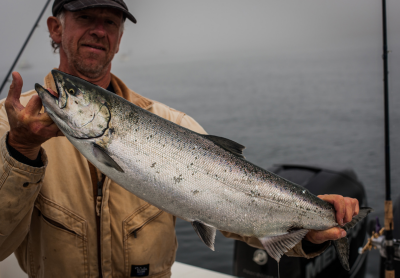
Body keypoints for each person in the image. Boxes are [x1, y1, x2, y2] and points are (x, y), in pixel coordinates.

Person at [0, 0, 360, 277]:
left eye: (109, 22)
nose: (98, 31)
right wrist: (21, 150)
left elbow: (237, 209)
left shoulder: (172, 122)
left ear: (120, 36)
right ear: (54, 28)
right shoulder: (7, 122)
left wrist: (308, 230)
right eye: (84, 18)